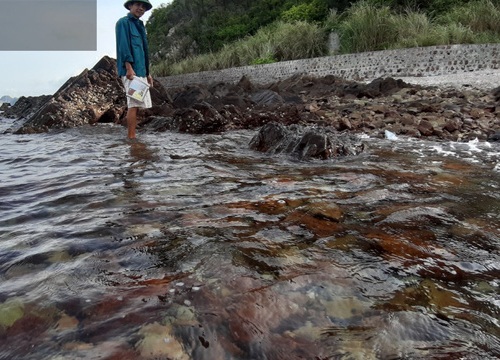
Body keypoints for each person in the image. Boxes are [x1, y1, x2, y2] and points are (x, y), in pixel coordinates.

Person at [115, 0, 154, 139]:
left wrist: (148, 73)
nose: (141, 8)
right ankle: (131, 137)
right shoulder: (123, 23)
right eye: (138, 5)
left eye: (143, 6)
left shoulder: (140, 25)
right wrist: (128, 68)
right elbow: (123, 46)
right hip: (131, 71)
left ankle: (133, 134)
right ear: (130, 6)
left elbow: (144, 51)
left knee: (137, 104)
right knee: (133, 103)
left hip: (141, 70)